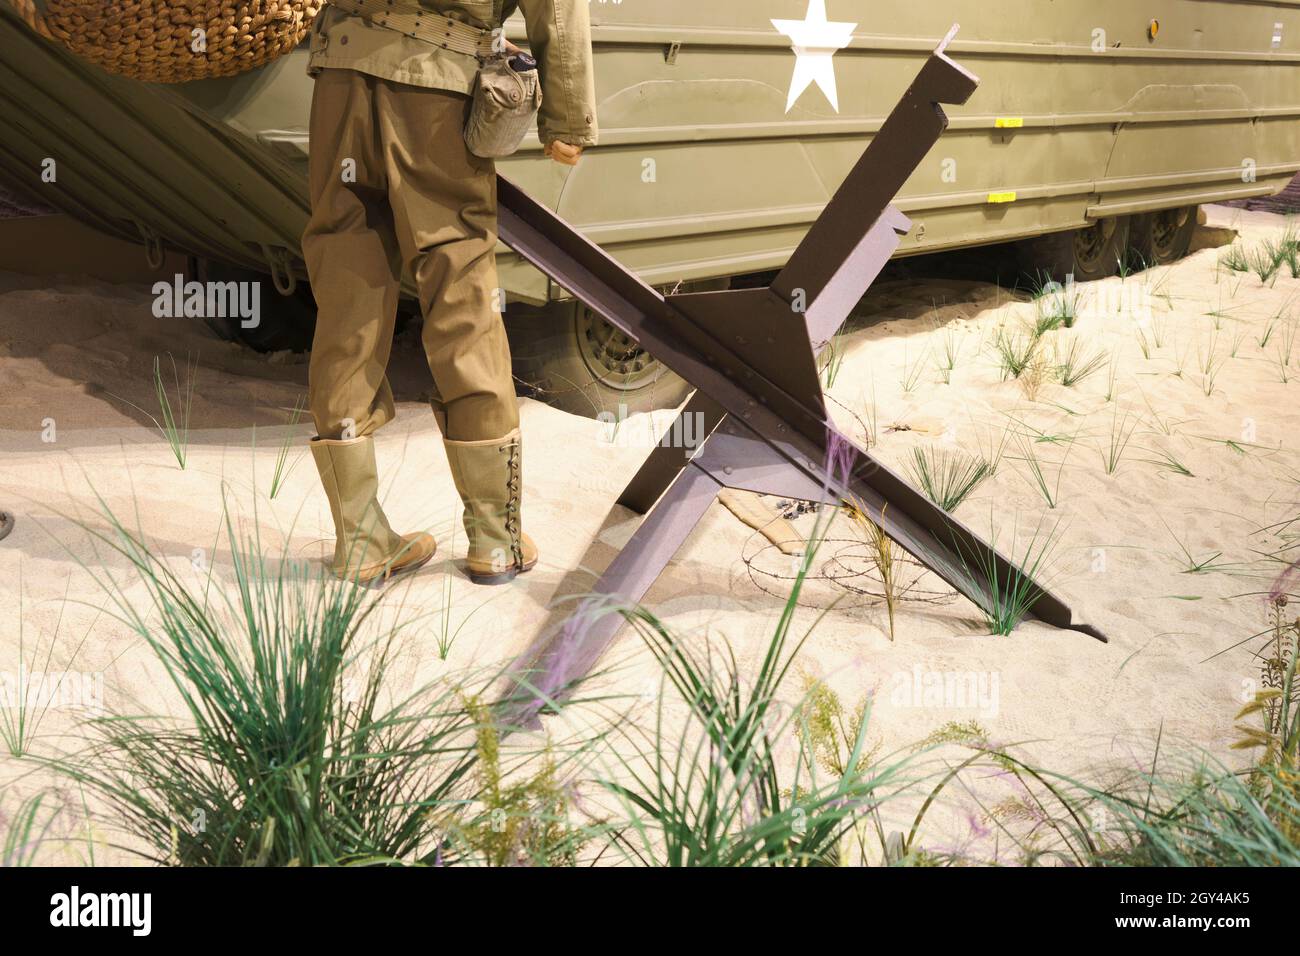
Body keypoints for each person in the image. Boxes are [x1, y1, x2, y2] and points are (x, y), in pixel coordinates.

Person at [301, 0, 597, 585]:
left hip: (340, 75)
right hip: (436, 85)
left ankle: (360, 540)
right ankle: (494, 538)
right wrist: (567, 118)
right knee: (461, 291)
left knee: (346, 288)